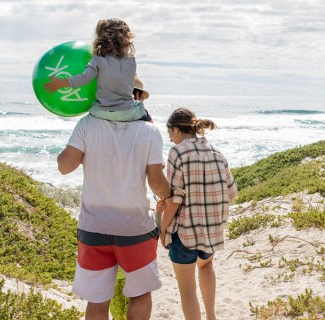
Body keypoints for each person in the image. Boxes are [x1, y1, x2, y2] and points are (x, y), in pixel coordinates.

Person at [57, 109, 171, 319]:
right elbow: (156, 184)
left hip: (94, 227)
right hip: (135, 228)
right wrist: (169, 193)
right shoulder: (150, 131)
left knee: (98, 300)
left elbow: (64, 167)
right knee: (140, 294)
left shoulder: (87, 124)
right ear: (137, 97)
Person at [157, 107, 238, 320]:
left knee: (186, 288)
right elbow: (232, 193)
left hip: (184, 231)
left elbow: (175, 199)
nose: (170, 138)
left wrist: (163, 229)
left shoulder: (177, 152)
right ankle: (211, 316)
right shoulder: (217, 153)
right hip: (212, 231)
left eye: (170, 133)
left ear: (176, 128)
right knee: (206, 266)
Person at [44, 18, 151, 121]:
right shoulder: (131, 60)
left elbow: (85, 78)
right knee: (145, 113)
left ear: (102, 38)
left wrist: (61, 83)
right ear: (126, 39)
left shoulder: (98, 58)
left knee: (91, 111)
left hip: (102, 112)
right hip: (127, 112)